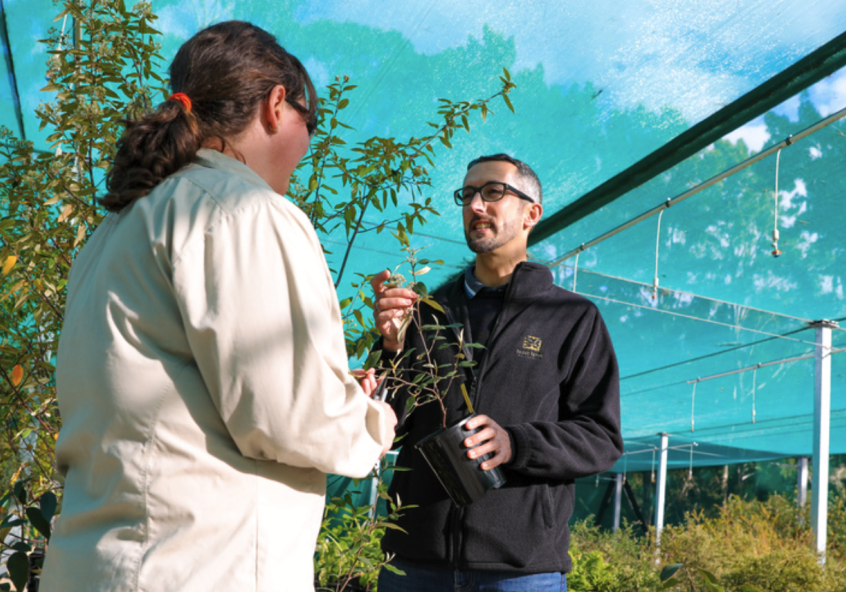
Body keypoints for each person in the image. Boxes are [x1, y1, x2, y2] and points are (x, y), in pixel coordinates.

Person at [43, 22, 396, 592]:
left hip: (99, 563)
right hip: (200, 565)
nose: (309, 144)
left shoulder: (116, 227)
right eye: (313, 122)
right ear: (277, 106)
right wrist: (368, 419)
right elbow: (289, 417)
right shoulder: (245, 210)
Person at [370, 154, 623, 591]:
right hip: (415, 564)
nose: (476, 205)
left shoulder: (570, 317)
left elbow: (601, 438)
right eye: (467, 195)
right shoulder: (428, 312)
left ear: (532, 213)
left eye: (493, 192)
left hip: (520, 571)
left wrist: (516, 443)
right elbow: (389, 425)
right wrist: (392, 347)